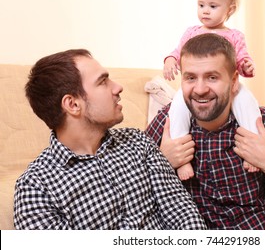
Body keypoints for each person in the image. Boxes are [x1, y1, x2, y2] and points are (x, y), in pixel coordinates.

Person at [13, 49, 206, 230]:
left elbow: (181, 210)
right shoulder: (35, 189)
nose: (118, 87)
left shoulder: (138, 142)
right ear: (72, 104)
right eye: (103, 81)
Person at [146, 33, 265, 229]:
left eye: (212, 77)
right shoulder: (165, 126)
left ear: (234, 81)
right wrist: (162, 162)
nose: (200, 89)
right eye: (190, 78)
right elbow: (130, 193)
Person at [163, 0, 260, 180]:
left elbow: (241, 60)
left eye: (213, 6)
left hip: (229, 90)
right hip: (198, 93)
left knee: (249, 104)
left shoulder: (234, 36)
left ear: (230, 10)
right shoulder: (191, 32)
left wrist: (247, 67)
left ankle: (252, 151)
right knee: (177, 108)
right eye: (201, 5)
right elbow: (177, 51)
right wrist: (170, 60)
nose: (205, 11)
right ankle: (181, 159)